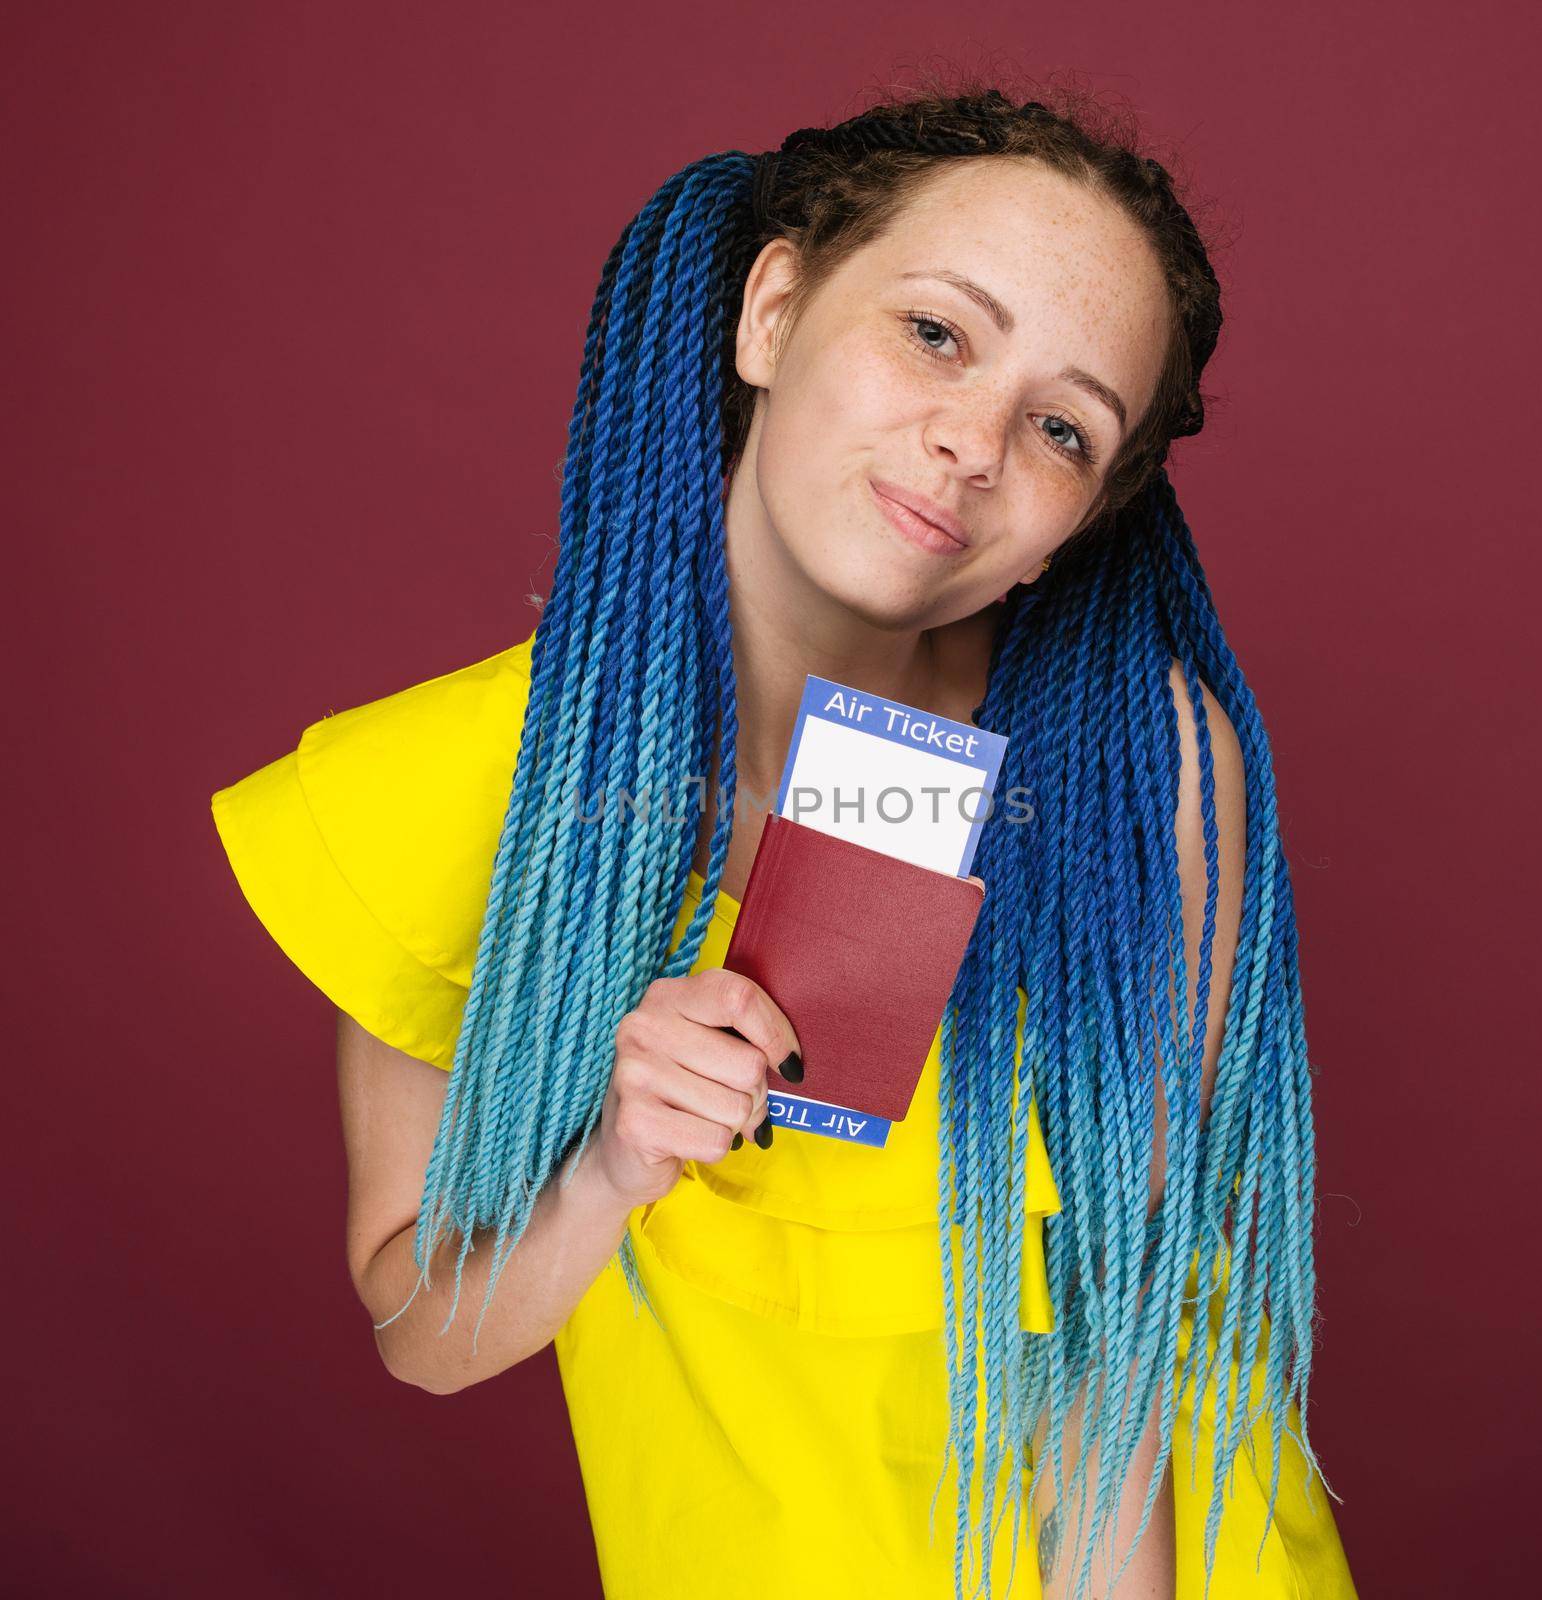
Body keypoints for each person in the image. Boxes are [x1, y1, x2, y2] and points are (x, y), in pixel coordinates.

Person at [210, 81, 1359, 1600]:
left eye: (1063, 427)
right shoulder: (459, 789)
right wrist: (610, 1166)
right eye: (937, 333)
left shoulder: (1144, 770)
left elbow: (1116, 1356)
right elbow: (424, 1330)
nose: (969, 443)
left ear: (1086, 513)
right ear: (772, 310)